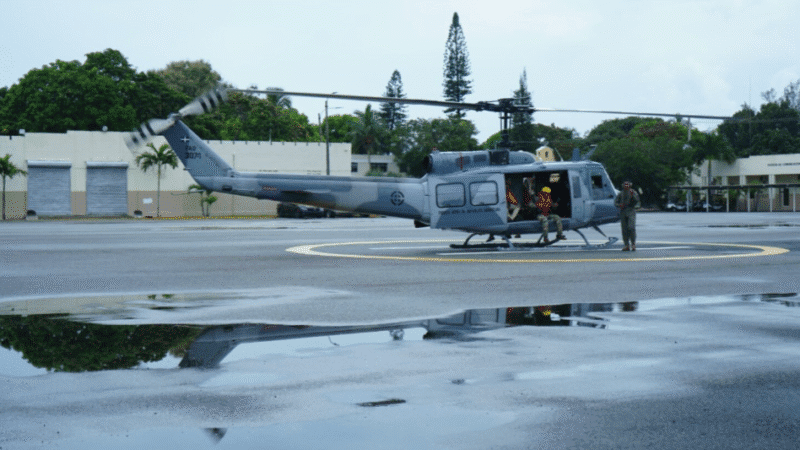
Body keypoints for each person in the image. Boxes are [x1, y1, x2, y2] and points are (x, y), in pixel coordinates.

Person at [614, 181, 641, 251]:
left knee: (631, 227)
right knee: (624, 229)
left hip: (631, 211)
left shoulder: (633, 192)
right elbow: (616, 202)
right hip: (623, 211)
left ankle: (633, 244)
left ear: (629, 186)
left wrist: (633, 196)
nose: (626, 186)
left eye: (627, 185)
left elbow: (637, 200)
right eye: (625, 185)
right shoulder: (621, 193)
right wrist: (619, 205)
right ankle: (626, 245)